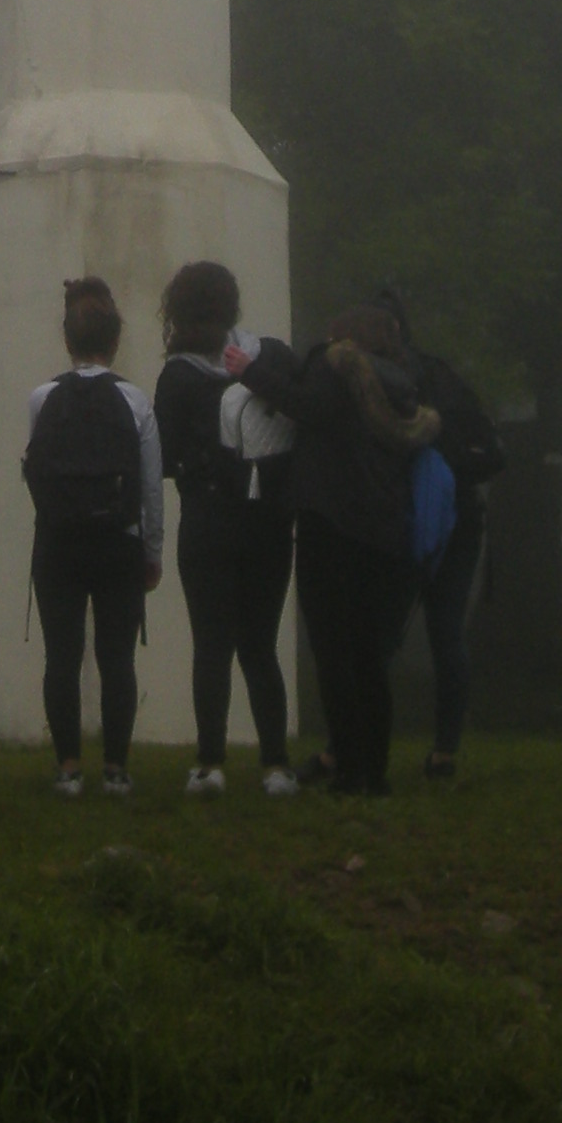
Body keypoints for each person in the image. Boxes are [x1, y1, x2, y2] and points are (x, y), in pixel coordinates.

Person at [244, 304, 439, 799]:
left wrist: (251, 372)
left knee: (333, 652)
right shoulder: (403, 384)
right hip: (385, 529)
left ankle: (349, 770)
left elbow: (308, 406)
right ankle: (376, 771)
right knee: (370, 656)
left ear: (343, 336)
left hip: (330, 522)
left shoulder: (334, 364)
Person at [152, 259, 295, 797]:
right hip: (269, 521)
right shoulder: (270, 355)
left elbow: (165, 457)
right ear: (232, 305)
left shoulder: (178, 375)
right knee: (261, 646)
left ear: (177, 312)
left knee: (211, 647)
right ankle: (276, 764)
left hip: (208, 522)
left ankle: (210, 763)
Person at [26, 278, 161, 798]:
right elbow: (150, 485)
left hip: (57, 541)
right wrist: (151, 550)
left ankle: (67, 768)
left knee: (61, 657)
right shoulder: (134, 400)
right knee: (116, 657)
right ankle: (116, 769)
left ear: (67, 339)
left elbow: (38, 470)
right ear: (116, 339)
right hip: (118, 542)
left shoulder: (43, 398)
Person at [376, 289, 503, 780]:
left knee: (382, 635)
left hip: (404, 521)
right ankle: (445, 750)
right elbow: (488, 449)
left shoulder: (380, 379)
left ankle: (356, 744)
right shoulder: (443, 375)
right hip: (461, 519)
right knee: (446, 633)